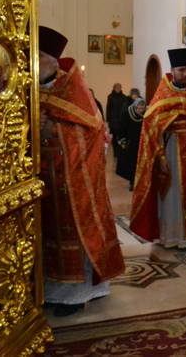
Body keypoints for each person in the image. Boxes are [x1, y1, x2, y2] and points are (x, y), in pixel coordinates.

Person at [38, 26, 125, 317]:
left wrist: (52, 130)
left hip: (74, 178)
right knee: (48, 234)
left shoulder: (73, 89)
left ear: (52, 61)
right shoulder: (29, 89)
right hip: (44, 178)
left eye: (38, 56)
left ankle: (77, 294)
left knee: (76, 231)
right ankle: (52, 290)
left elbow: (91, 133)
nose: (32, 63)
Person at [130, 48, 186, 248]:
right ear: (172, 71)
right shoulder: (163, 94)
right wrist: (161, 156)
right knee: (174, 196)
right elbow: (151, 126)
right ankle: (175, 237)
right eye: (182, 70)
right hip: (173, 150)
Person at [116, 97, 146, 191]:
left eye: (142, 108)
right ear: (135, 106)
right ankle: (132, 182)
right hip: (131, 144)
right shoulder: (127, 113)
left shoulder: (146, 115)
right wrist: (123, 140)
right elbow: (121, 128)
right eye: (138, 108)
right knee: (131, 165)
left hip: (141, 143)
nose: (140, 110)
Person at [106, 83, 129, 155]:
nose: (118, 89)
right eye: (117, 87)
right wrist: (108, 119)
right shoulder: (110, 97)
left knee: (121, 136)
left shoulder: (124, 97)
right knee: (114, 137)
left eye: (119, 87)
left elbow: (126, 109)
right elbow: (108, 108)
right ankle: (115, 152)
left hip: (122, 121)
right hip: (113, 121)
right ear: (114, 88)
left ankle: (121, 151)